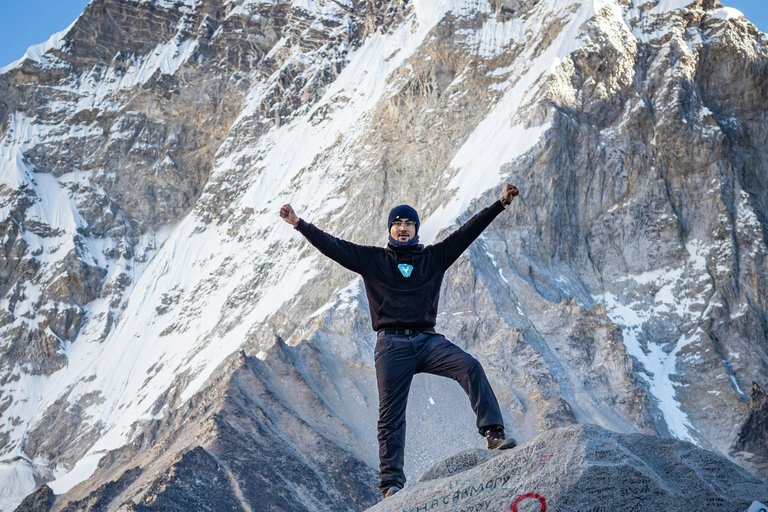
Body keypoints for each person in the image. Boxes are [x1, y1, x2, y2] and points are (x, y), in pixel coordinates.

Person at [279, 184, 519, 499]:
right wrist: (299, 224)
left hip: (428, 341)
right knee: (391, 413)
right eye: (397, 223)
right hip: (391, 345)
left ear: (416, 229)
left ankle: (493, 433)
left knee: (470, 366)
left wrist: (500, 204)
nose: (402, 228)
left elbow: (466, 233)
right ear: (390, 229)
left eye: (408, 223)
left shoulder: (434, 257)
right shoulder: (372, 260)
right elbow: (334, 246)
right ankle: (391, 484)